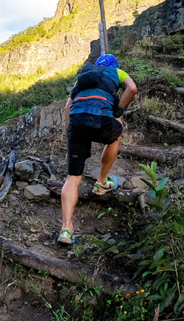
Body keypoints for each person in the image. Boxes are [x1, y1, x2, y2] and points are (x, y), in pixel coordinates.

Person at [58, 54, 137, 245]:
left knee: (72, 178)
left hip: (77, 122)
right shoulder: (116, 72)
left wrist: (70, 134)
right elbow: (132, 88)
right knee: (116, 134)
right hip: (102, 121)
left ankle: (66, 229)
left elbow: (68, 107)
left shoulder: (84, 76)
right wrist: (118, 111)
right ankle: (101, 182)